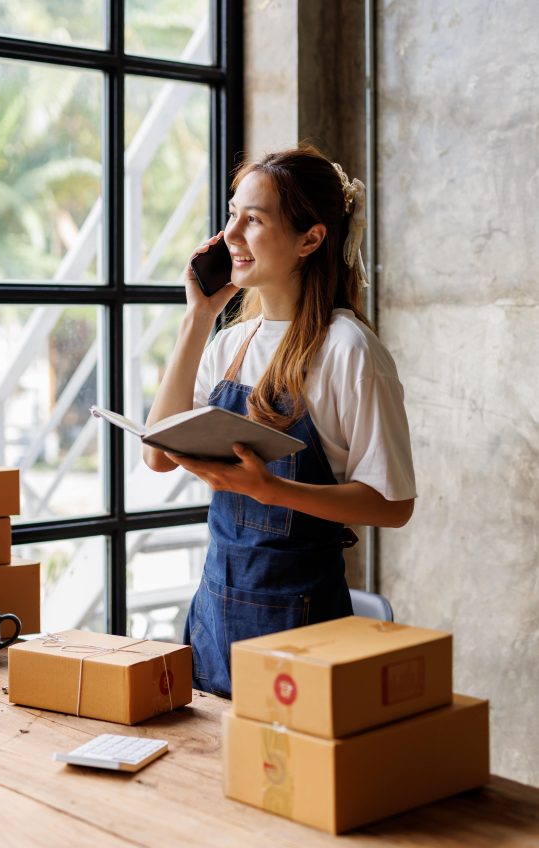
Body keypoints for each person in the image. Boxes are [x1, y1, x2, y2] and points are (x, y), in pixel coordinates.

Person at [142, 144, 416, 698]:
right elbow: (156, 456)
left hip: (303, 628)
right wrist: (198, 318)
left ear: (310, 239)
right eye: (231, 215)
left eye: (254, 219)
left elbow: (393, 505)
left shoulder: (348, 349)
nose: (230, 236)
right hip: (214, 618)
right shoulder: (229, 344)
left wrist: (272, 490)